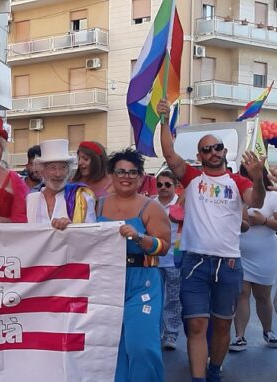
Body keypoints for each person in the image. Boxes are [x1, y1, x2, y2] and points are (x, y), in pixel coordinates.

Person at [158, 99, 266, 382]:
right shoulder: (192, 178)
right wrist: (163, 119)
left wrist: (259, 179)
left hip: (229, 265)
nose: (213, 152)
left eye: (217, 147)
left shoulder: (237, 182)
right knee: (195, 324)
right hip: (194, 262)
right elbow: (169, 154)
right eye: (207, 149)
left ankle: (215, 370)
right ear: (200, 155)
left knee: (221, 326)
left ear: (225, 151)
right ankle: (198, 379)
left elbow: (255, 201)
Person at [96, 149, 171, 382]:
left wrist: (139, 237)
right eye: (120, 171)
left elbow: (164, 246)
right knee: (111, 348)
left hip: (142, 282)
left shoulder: (151, 207)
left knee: (142, 347)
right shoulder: (96, 206)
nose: (126, 177)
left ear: (140, 177)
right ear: (111, 175)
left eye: (132, 172)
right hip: (106, 282)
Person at [230, 166, 277, 351]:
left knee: (262, 296)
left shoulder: (274, 197)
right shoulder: (235, 198)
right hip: (240, 252)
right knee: (241, 295)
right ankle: (239, 336)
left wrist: (264, 221)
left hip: (267, 254)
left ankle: (268, 330)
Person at [26, 139, 95, 228]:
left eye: (63, 167)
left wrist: (73, 227)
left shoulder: (82, 197)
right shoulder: (31, 200)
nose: (58, 174)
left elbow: (91, 234)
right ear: (42, 171)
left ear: (68, 171)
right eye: (52, 167)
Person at [155, 171, 183, 350]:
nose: (163, 188)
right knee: (155, 299)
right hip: (154, 260)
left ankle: (171, 334)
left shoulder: (182, 204)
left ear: (174, 186)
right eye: (160, 184)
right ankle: (155, 332)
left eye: (167, 184)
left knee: (173, 299)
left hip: (175, 258)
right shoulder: (151, 203)